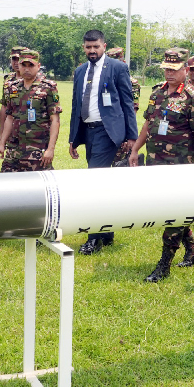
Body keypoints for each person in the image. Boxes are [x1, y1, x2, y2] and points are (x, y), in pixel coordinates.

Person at [129, 49, 194, 281]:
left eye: (174, 69)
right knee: (166, 209)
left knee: (175, 211)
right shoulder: (158, 92)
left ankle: (164, 264)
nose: (169, 73)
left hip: (180, 166)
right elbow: (148, 123)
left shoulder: (193, 96)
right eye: (166, 69)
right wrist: (135, 149)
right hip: (156, 162)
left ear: (185, 69)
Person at [68, 29, 138, 254]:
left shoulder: (117, 68)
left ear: (104, 46)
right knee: (102, 182)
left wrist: (132, 136)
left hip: (107, 132)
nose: (92, 51)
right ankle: (107, 233)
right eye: (88, 47)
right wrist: (73, 138)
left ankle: (93, 238)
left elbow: (127, 102)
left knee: (93, 183)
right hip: (88, 131)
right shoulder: (80, 71)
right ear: (83, 48)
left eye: (96, 47)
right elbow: (76, 105)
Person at [0, 49, 61, 172]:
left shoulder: (48, 88)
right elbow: (9, 117)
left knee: (40, 182)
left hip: (37, 151)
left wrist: (50, 149)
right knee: (7, 182)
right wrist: (2, 144)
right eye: (23, 65)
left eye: (31, 65)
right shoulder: (12, 88)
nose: (26, 69)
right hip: (14, 151)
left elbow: (55, 120)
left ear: (38, 66)